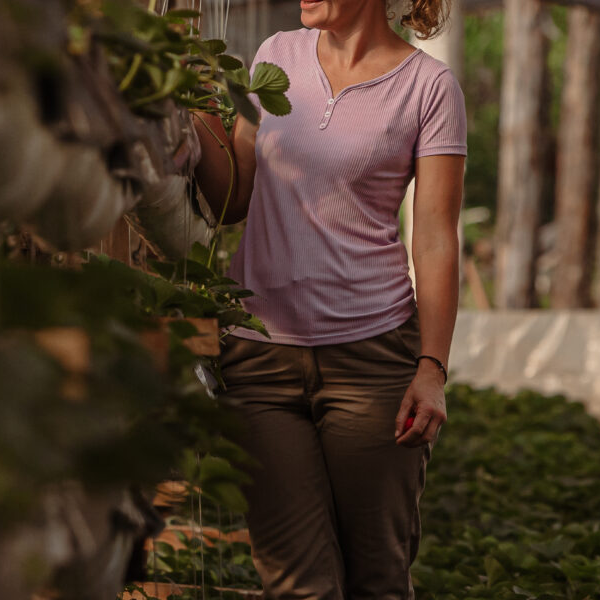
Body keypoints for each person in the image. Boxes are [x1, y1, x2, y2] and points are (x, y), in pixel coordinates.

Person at [190, 0, 466, 597]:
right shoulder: (275, 56)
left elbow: (438, 236)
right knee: (298, 586)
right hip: (258, 359)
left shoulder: (429, 86)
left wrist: (432, 367)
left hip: (371, 365)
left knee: (378, 579)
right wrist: (183, 119)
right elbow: (233, 197)